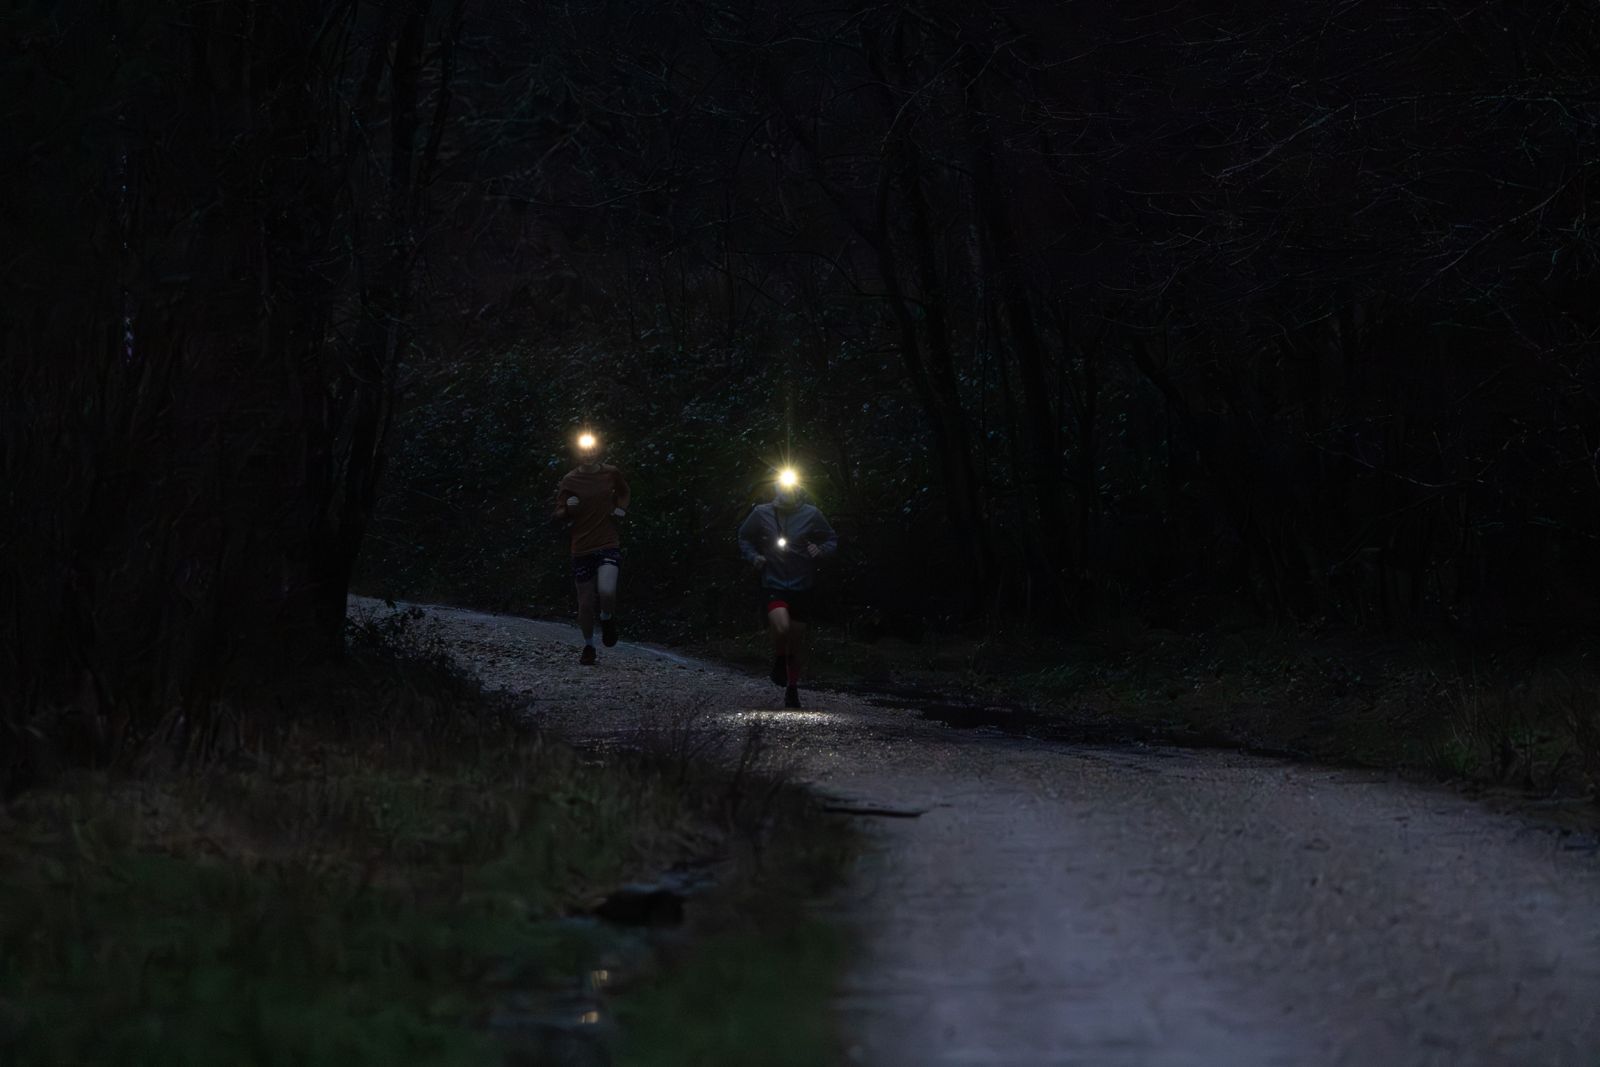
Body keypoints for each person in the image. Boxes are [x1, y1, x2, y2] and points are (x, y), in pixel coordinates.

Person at [737, 468, 838, 708]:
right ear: (777, 489)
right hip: (773, 582)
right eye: (783, 488)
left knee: (797, 639)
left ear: (798, 490)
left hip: (803, 584)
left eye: (791, 488)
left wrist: (820, 550)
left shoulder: (811, 514)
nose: (787, 492)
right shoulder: (761, 513)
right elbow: (744, 536)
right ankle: (780, 659)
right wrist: (754, 557)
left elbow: (831, 538)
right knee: (782, 627)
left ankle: (792, 688)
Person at [554, 431, 630, 665]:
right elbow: (557, 513)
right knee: (585, 603)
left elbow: (624, 492)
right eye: (583, 450)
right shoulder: (570, 480)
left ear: (599, 450)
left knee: (607, 591)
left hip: (607, 542)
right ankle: (589, 646)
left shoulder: (611, 472)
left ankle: (607, 618)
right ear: (577, 452)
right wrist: (568, 508)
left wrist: (621, 508)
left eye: (592, 449)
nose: (588, 454)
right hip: (582, 547)